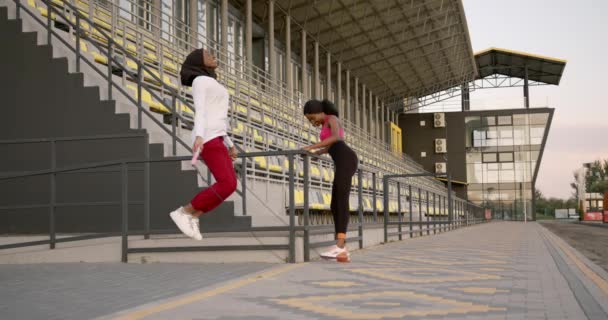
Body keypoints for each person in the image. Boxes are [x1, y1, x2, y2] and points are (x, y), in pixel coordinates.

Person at [169, 48, 238, 240]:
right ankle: (184, 211)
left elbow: (219, 117)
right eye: (208, 55)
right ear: (199, 61)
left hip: (217, 136)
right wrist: (199, 136)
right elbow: (200, 111)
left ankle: (194, 216)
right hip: (207, 137)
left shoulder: (211, 81)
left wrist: (230, 144)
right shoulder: (199, 81)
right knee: (227, 183)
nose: (213, 56)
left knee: (230, 185)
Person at [302, 99, 358, 261]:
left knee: (341, 200)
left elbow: (336, 139)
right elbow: (330, 147)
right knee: (334, 204)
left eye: (313, 118)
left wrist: (311, 147)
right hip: (340, 159)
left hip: (347, 158)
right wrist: (317, 154)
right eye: (310, 120)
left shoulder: (332, 119)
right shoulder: (325, 122)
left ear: (321, 111)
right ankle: (342, 249)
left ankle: (339, 246)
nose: (313, 122)